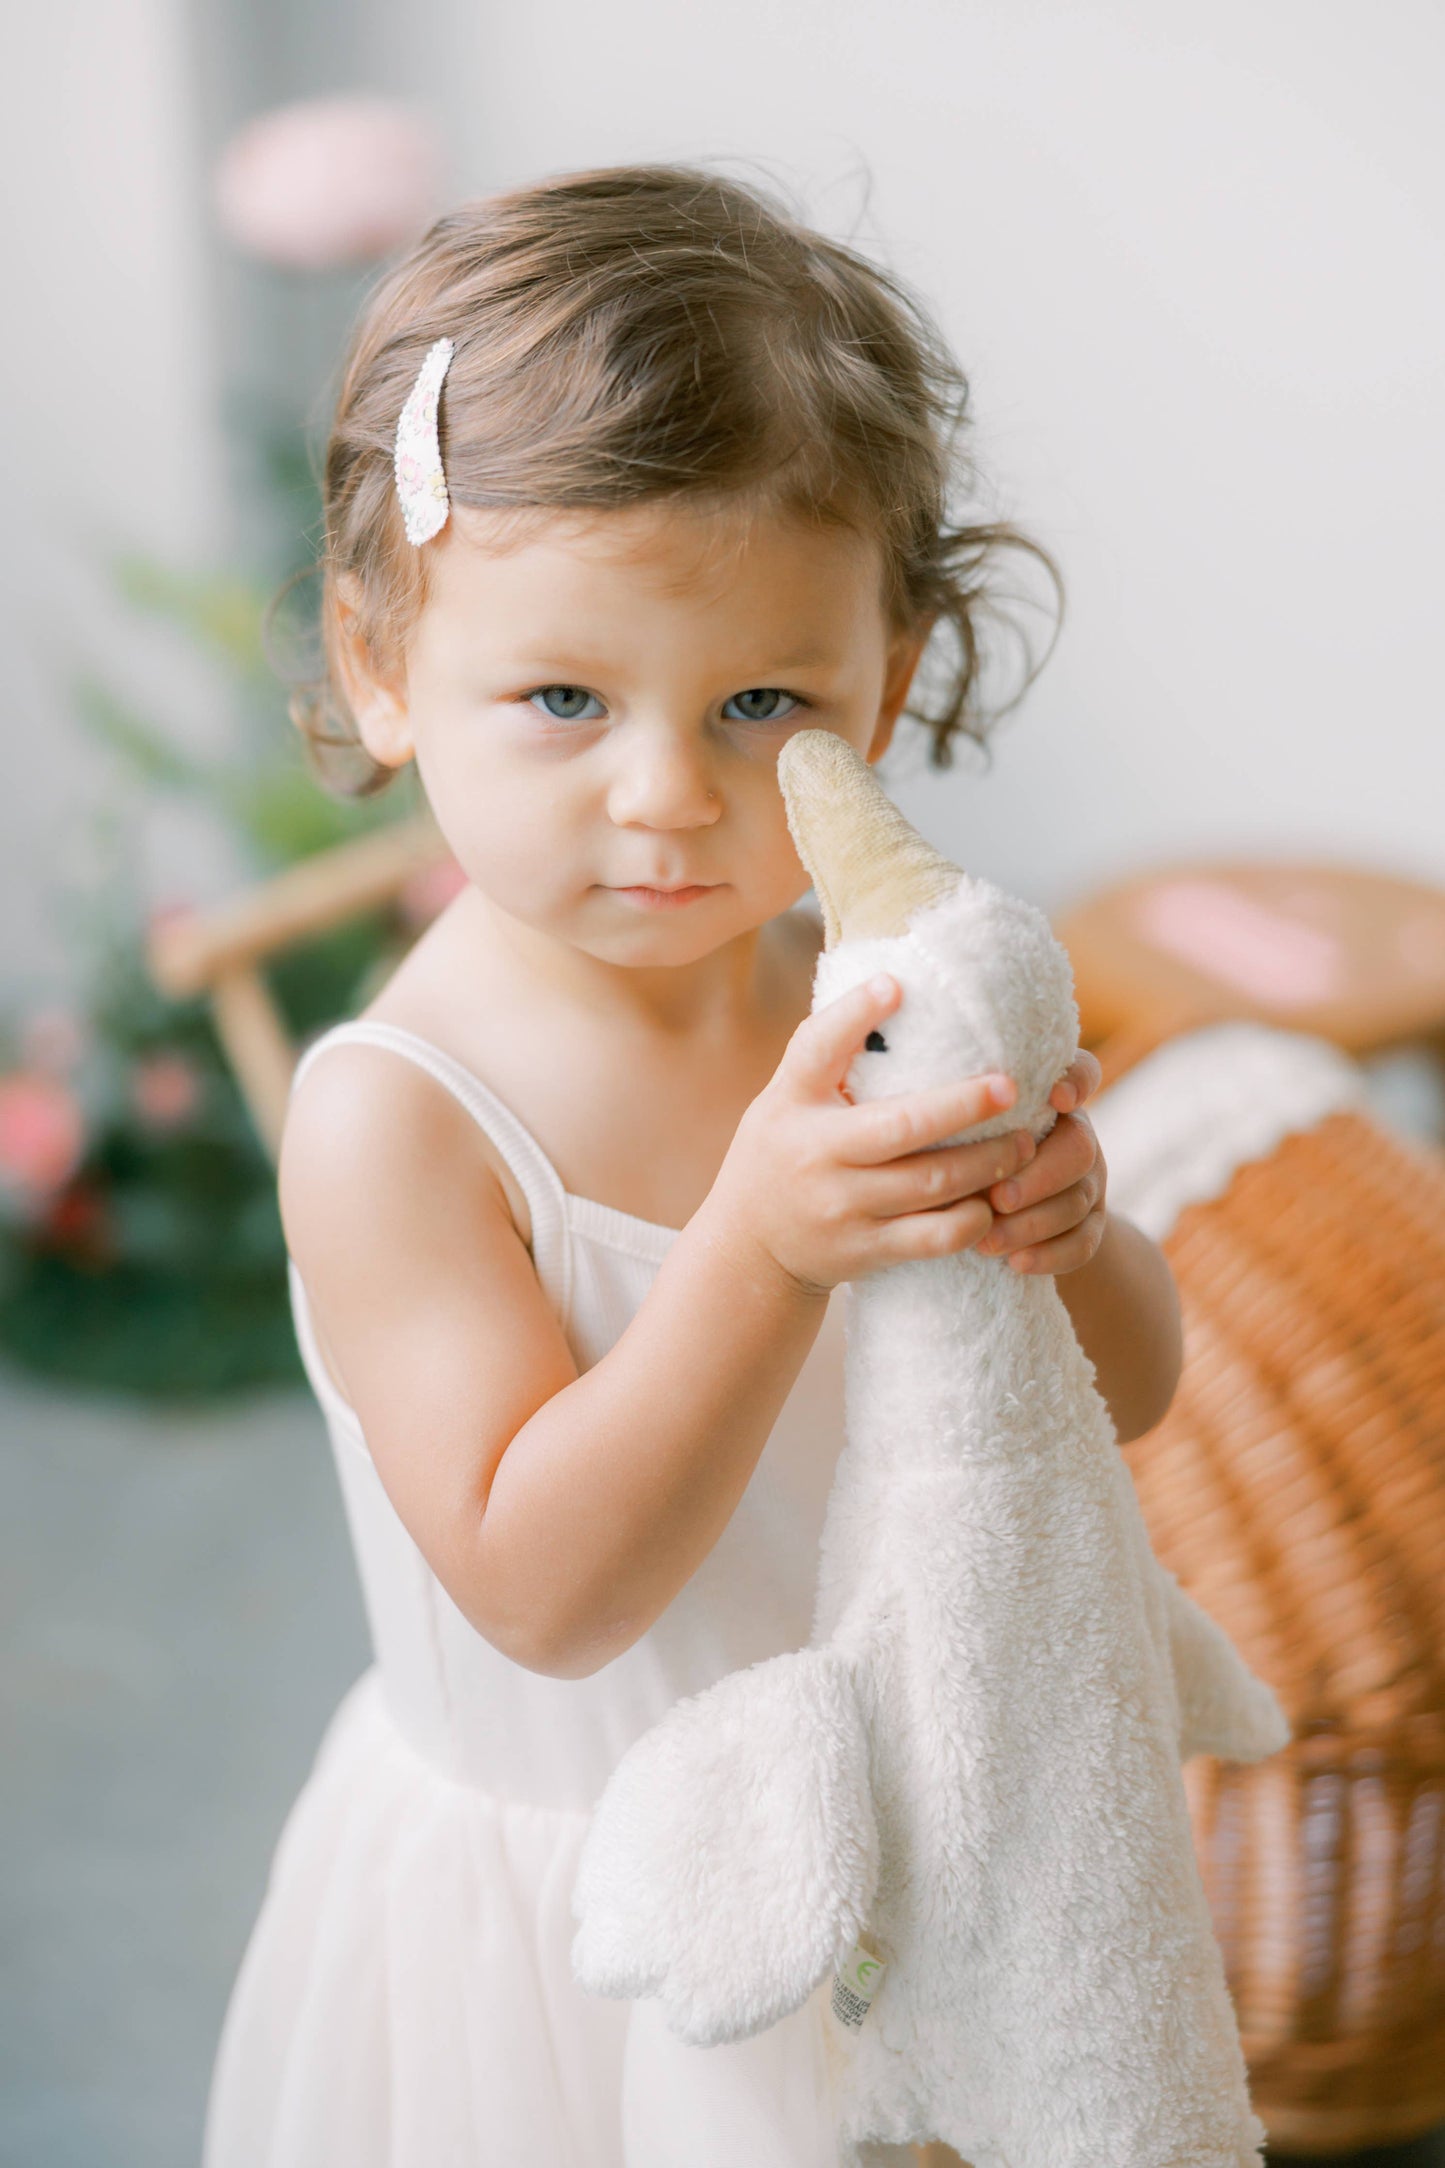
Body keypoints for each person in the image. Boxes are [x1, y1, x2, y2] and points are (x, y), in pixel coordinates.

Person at [202, 163, 1184, 2168]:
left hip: (877, 1861)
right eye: (563, 698)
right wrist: (760, 1244)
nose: (665, 795)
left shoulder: (870, 998)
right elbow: (545, 1593)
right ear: (385, 666)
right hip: (579, 1947)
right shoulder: (398, 1115)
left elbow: (1133, 1394)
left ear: (884, 679)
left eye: (760, 703)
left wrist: (1072, 1234)